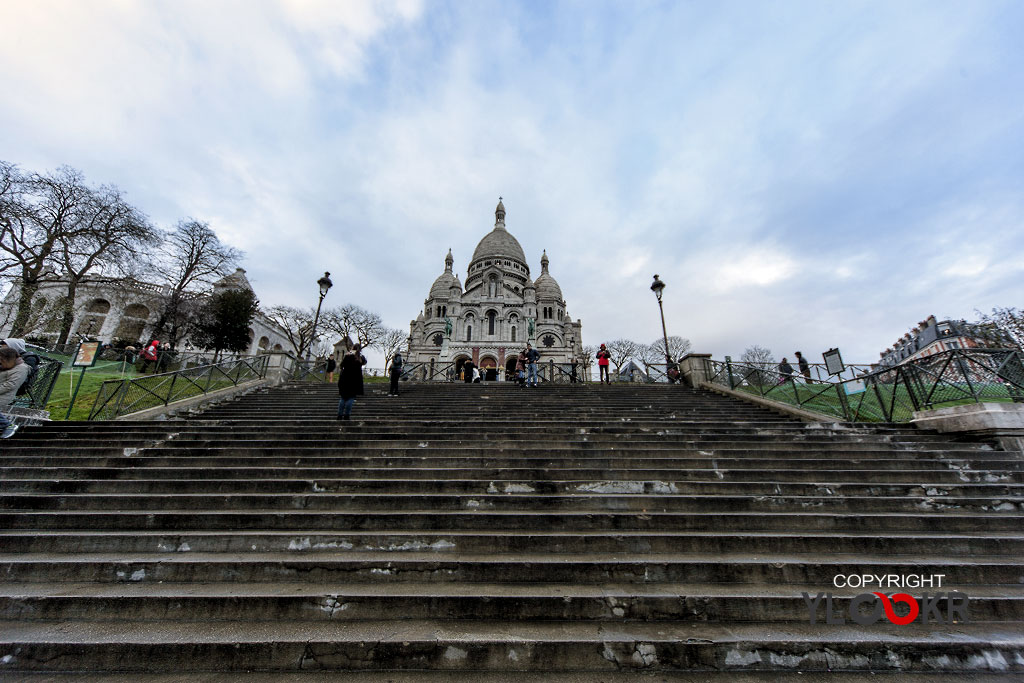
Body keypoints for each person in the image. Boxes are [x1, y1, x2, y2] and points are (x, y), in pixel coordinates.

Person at [0, 347, 30, 439]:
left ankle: (8, 425)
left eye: (1, 360)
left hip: (4, 395)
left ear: (8, 359)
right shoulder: (9, 367)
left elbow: (11, 384)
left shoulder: (21, 368)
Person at [336, 343, 367, 421]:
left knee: (343, 398)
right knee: (351, 398)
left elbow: (341, 365)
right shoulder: (360, 357)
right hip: (355, 380)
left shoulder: (347, 355)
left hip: (345, 378)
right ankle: (347, 415)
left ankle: (339, 415)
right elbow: (365, 362)